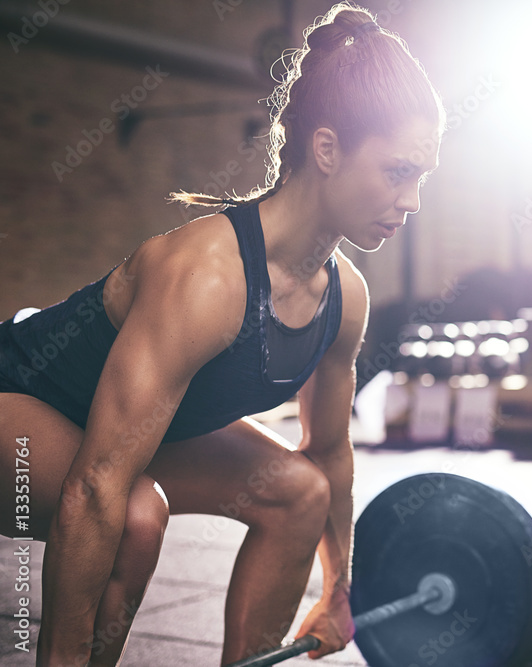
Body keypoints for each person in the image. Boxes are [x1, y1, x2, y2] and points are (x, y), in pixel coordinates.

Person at [0, 3, 444, 665]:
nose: (412, 201)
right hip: (19, 400)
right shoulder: (207, 277)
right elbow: (95, 485)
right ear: (326, 149)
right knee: (133, 517)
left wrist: (339, 590)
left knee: (300, 493)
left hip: (123, 429)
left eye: (422, 178)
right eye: (397, 171)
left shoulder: (344, 297)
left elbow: (327, 453)